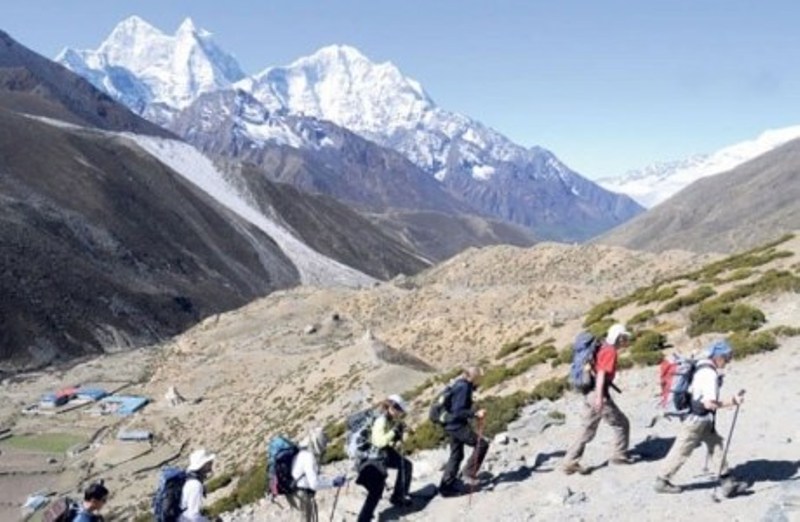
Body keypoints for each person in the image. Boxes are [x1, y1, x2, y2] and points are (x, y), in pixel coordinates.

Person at [655, 340, 746, 496]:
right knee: (682, 449)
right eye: (727, 357)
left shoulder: (702, 364)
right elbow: (709, 403)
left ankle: (726, 481)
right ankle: (661, 481)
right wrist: (733, 401)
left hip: (699, 417)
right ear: (718, 356)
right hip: (697, 420)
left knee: (715, 443)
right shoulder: (709, 374)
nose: (728, 361)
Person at [562, 323, 633, 475]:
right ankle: (619, 456)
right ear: (619, 338)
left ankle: (570, 462)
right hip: (597, 393)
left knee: (586, 429)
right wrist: (600, 398)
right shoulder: (610, 351)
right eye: (624, 337)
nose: (626, 340)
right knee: (621, 424)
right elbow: (601, 374)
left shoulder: (601, 346)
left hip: (589, 392)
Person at [356, 394, 413, 522]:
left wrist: (395, 436)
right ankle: (363, 519)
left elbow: (386, 441)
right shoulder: (381, 420)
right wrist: (394, 432)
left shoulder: (389, 419)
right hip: (373, 458)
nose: (400, 413)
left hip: (383, 453)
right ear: (392, 407)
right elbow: (379, 442)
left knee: (406, 465)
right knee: (376, 491)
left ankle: (398, 496)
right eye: (399, 410)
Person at [439, 367, 490, 497]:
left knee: (456, 455)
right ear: (473, 376)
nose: (480, 381)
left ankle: (446, 487)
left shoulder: (458, 383)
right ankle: (468, 474)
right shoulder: (464, 387)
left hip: (450, 424)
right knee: (482, 444)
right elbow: (458, 411)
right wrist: (475, 414)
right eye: (479, 378)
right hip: (457, 425)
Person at [287, 427, 347, 522]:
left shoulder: (301, 453)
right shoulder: (309, 457)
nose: (324, 447)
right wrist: (333, 483)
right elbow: (314, 484)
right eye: (323, 443)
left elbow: (309, 477)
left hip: (295, 492)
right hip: (302, 494)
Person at [179, 448, 216, 522]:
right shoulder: (196, 485)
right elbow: (193, 516)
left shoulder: (189, 481)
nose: (211, 464)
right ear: (203, 465)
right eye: (209, 462)